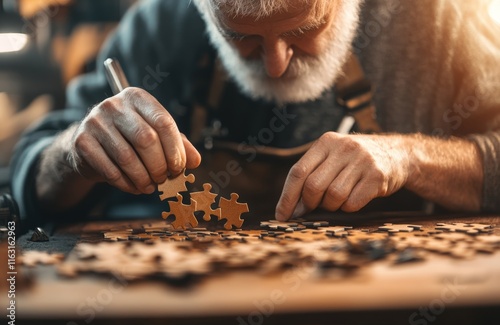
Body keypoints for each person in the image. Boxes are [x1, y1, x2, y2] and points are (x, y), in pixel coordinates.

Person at [10, 0, 500, 227]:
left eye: (305, 28)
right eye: (241, 36)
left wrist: (408, 157)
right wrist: (73, 154)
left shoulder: (440, 20)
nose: (276, 62)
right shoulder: (159, 27)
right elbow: (28, 185)